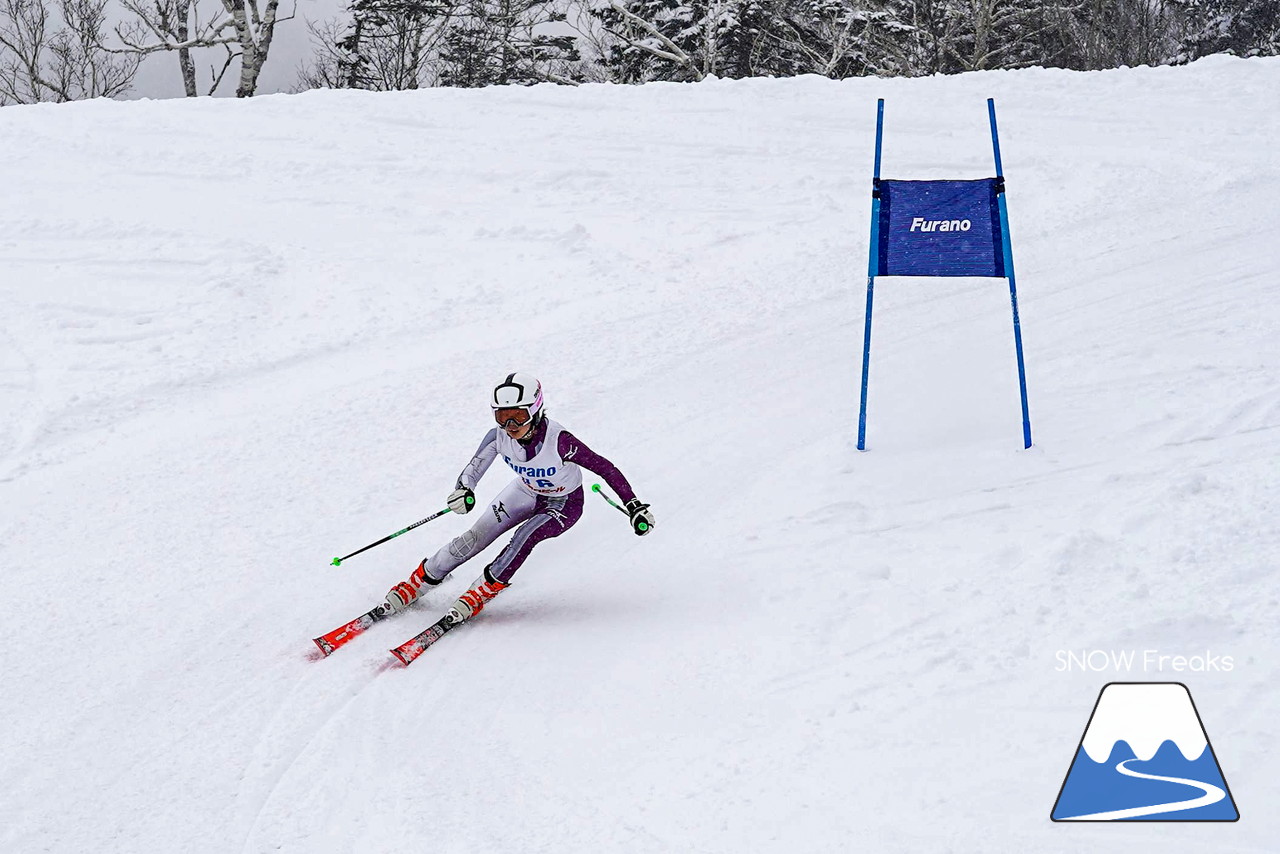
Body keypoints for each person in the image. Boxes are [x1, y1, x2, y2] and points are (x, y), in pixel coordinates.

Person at [385, 372, 654, 623]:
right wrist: (464, 490)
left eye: (518, 416)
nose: (510, 425)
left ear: (535, 410)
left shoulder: (559, 441)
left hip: (564, 503)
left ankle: (484, 589)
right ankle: (420, 581)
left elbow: (604, 467)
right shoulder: (498, 437)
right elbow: (474, 468)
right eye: (502, 417)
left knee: (526, 534)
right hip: (525, 492)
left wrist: (633, 505)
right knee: (475, 535)